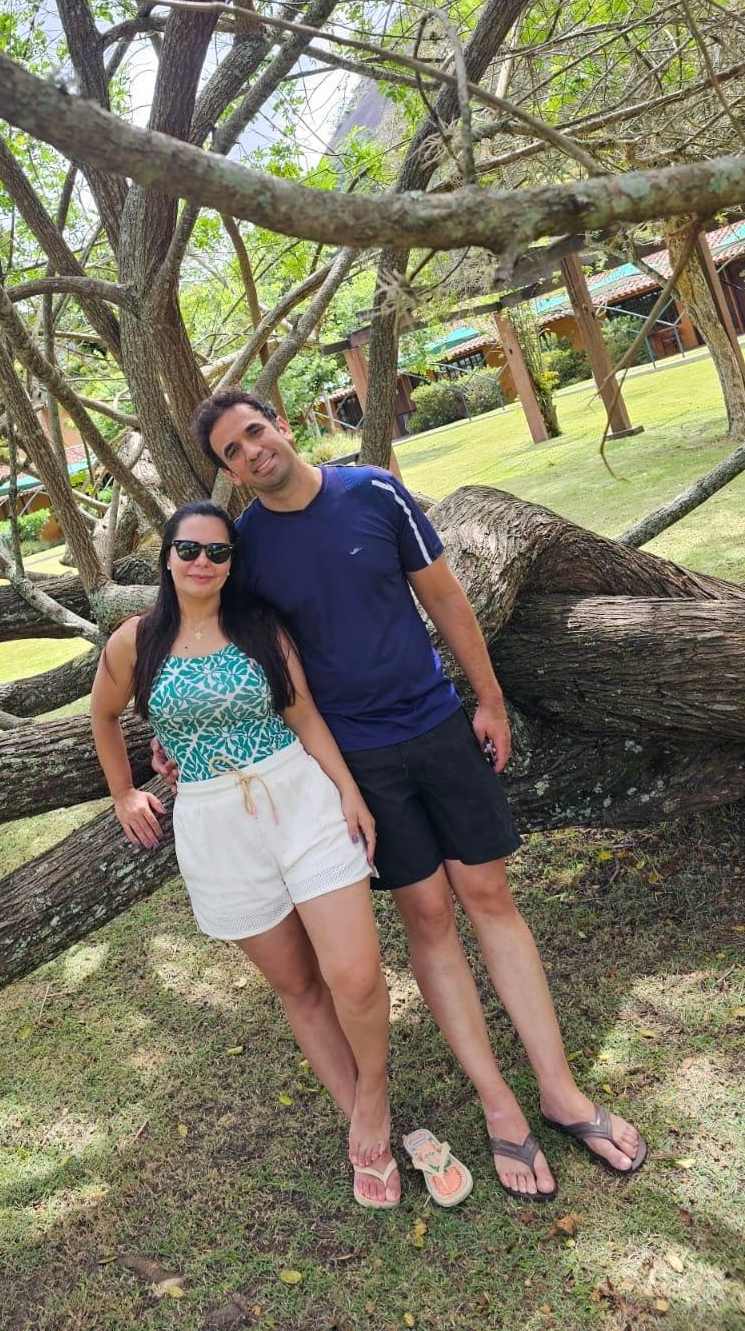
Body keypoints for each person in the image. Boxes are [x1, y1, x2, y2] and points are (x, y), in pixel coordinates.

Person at [159, 391, 646, 1200]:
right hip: (357, 760)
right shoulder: (246, 547)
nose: (251, 452)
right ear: (230, 473)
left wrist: (489, 699)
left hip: (437, 725)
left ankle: (560, 1091)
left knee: (489, 895)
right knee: (427, 915)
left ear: (281, 423)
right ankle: (498, 1105)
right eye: (232, 452)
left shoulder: (375, 492)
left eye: (254, 432)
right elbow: (223, 642)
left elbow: (445, 598)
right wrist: (173, 732)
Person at [91, 500, 402, 1209]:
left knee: (355, 976)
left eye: (219, 552)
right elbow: (102, 716)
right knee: (298, 986)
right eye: (189, 550)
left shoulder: (261, 627)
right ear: (167, 558)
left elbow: (303, 714)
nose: (203, 562)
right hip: (214, 824)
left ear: (233, 564)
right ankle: (363, 1125)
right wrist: (123, 793)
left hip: (298, 800)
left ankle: (375, 1096)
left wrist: (348, 792)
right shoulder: (135, 641)